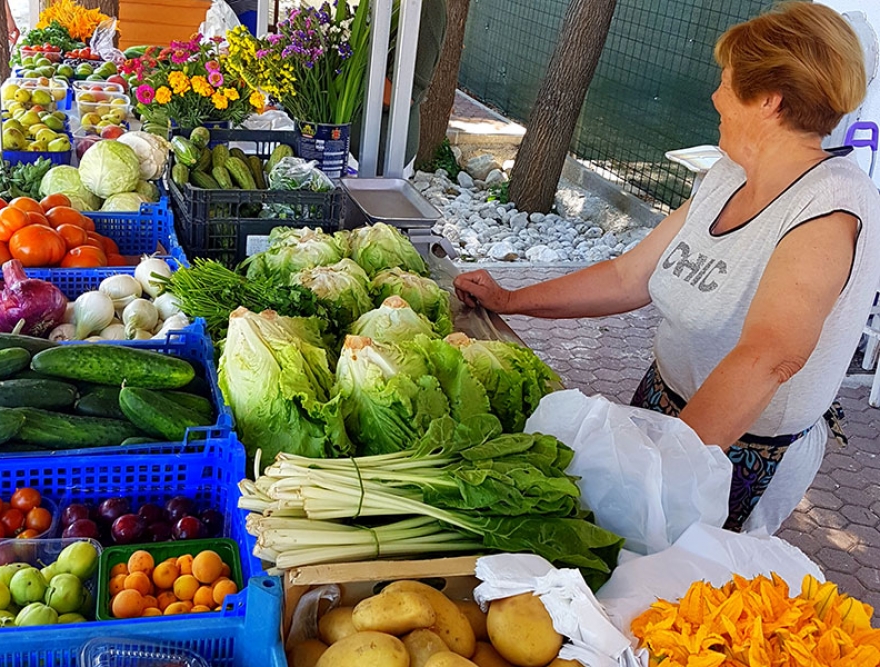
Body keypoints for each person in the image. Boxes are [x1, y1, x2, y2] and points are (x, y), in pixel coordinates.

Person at [453, 2, 880, 534]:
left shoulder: (829, 205)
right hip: (660, 406)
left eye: (726, 82)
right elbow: (628, 277)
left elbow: (769, 357)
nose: (714, 96)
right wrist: (511, 301)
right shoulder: (729, 175)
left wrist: (654, 469)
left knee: (672, 590)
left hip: (737, 451)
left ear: (769, 100)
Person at [350, 0, 448, 174]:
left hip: (381, 155)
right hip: (347, 142)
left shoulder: (426, 7)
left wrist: (342, 72)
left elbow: (398, 97)